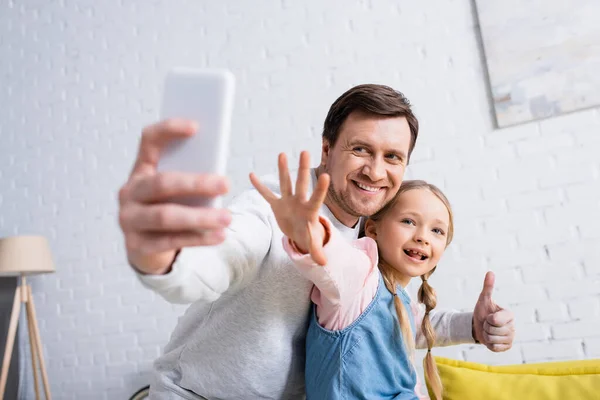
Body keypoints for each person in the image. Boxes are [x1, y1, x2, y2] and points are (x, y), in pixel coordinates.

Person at [118, 84, 516, 399]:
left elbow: (391, 320)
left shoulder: (374, 232)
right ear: (327, 150)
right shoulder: (277, 205)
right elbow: (224, 257)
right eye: (360, 149)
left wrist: (473, 327)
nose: (376, 171)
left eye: (392, 157)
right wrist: (163, 256)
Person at [251, 157, 457, 399]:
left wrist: (476, 326)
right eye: (408, 221)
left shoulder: (399, 298)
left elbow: (419, 326)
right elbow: (338, 261)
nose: (423, 237)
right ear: (372, 229)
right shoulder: (362, 278)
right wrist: (311, 234)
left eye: (437, 230)